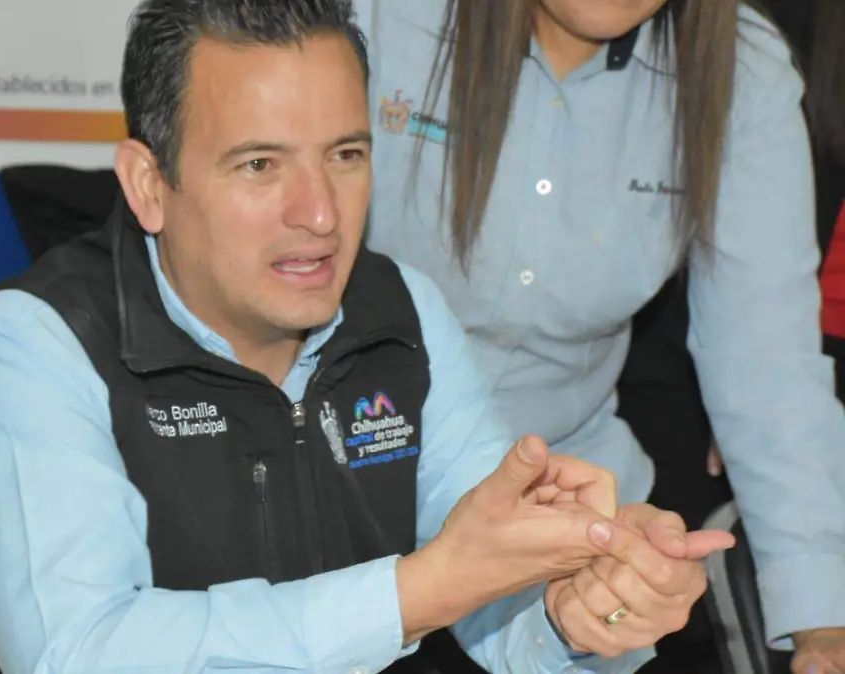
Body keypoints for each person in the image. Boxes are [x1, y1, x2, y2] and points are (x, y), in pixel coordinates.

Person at [0, 1, 728, 672]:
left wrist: (579, 605)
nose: (319, 213)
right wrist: (420, 591)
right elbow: (79, 654)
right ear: (148, 184)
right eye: (259, 165)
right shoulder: (31, 347)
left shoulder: (402, 312)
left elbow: (499, 609)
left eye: (345, 154)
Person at [359, 0, 845, 671]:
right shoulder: (379, 17)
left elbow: (767, 362)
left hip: (568, 518)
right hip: (340, 476)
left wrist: (824, 623)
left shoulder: (739, 68)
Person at [616, 0, 845, 670]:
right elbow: (759, 344)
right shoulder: (751, 46)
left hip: (775, 352)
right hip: (714, 347)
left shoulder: (750, 59)